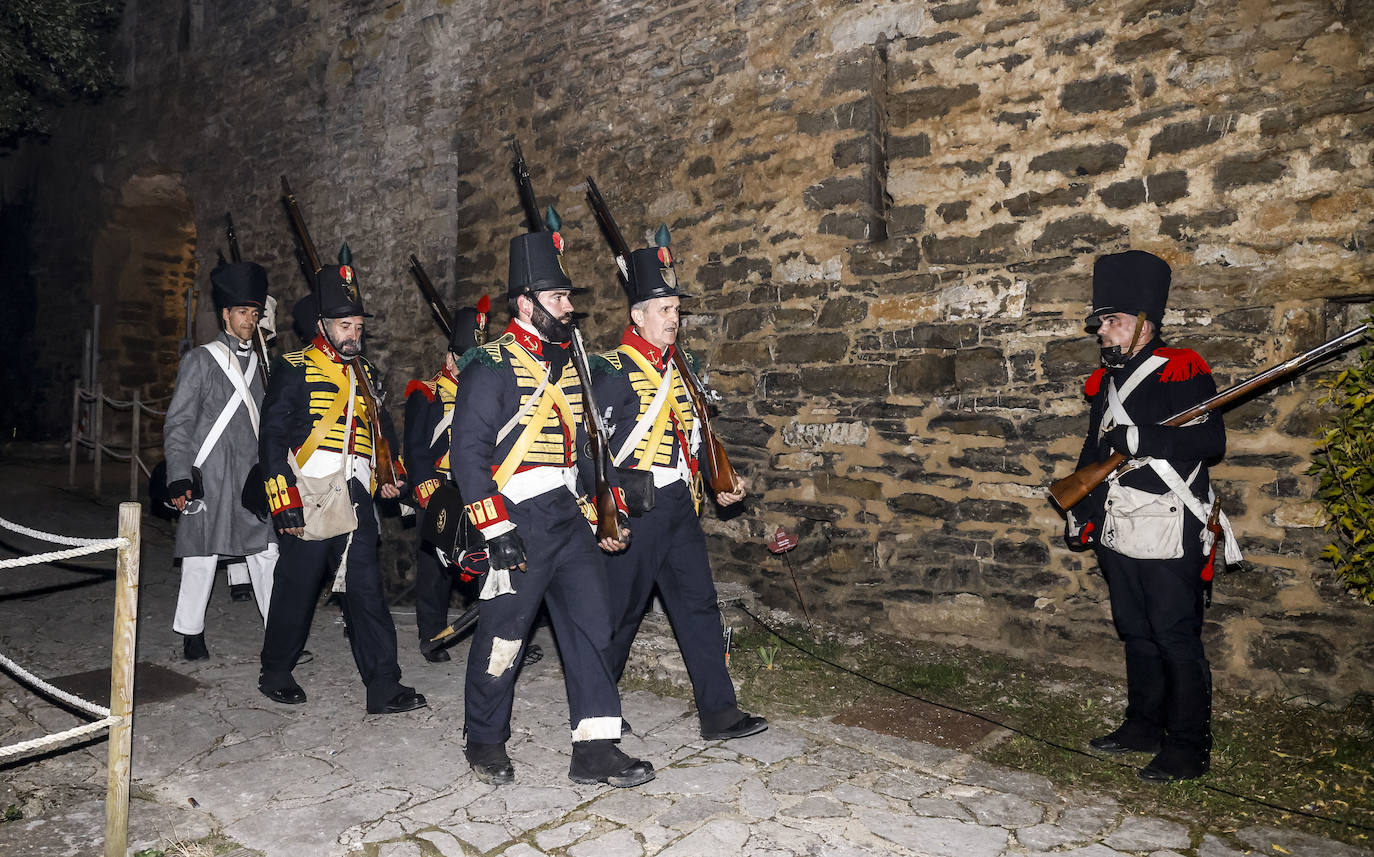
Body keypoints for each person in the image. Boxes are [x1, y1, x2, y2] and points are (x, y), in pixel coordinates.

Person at [450, 223, 653, 788]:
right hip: (515, 517)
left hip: (569, 517)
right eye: (559, 298)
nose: (569, 308)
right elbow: (466, 454)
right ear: (525, 303)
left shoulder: (570, 363)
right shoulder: (489, 364)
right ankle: (485, 739)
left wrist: (607, 499)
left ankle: (595, 748)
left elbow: (584, 449)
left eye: (567, 298)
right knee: (505, 635)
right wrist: (493, 526)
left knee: (594, 628)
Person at [590, 226, 767, 741]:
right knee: (620, 614)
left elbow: (698, 437)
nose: (673, 318)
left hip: (681, 506)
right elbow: (591, 450)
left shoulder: (682, 370)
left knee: (698, 607)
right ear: (637, 316)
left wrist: (719, 482)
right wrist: (603, 509)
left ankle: (719, 712)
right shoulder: (612, 371)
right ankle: (597, 707)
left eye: (675, 309)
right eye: (663, 309)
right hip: (635, 507)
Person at [1065, 249, 1235, 782]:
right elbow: (1094, 452)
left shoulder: (1181, 368)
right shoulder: (1107, 380)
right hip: (1117, 518)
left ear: (1143, 323)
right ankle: (1142, 726)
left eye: (1111, 321)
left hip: (1171, 522)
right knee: (1135, 629)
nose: (1102, 332)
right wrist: (1078, 509)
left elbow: (1211, 439)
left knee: (1174, 634)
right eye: (1102, 323)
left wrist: (1145, 438)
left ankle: (1187, 746)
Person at [257, 263, 425, 715]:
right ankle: (275, 670)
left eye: (358, 326)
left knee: (366, 591)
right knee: (298, 586)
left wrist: (390, 475)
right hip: (308, 493)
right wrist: (282, 500)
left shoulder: (365, 372)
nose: (353, 334)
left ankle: (384, 685)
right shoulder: (293, 366)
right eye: (345, 326)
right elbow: (271, 438)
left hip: (356, 494)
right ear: (322, 326)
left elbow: (381, 429)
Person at [163, 260, 278, 661]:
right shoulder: (200, 360)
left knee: (267, 552)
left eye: (254, 312)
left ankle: (278, 634)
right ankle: (191, 631)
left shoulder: (265, 366)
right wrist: (180, 476)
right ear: (225, 314)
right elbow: (178, 424)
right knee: (201, 554)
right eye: (242, 312)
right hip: (210, 474)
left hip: (250, 474)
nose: (249, 319)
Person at [404, 297, 490, 661]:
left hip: (478, 487)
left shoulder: (487, 392)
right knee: (435, 570)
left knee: (491, 564)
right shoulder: (426, 392)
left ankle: (496, 634)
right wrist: (427, 491)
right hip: (439, 488)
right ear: (452, 356)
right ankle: (431, 636)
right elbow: (415, 449)